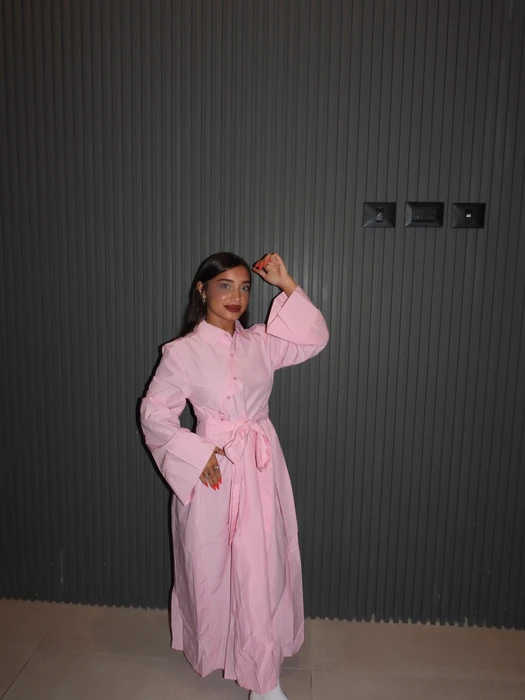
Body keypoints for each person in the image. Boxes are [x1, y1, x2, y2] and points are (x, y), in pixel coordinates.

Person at [140, 252, 329, 699]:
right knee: (216, 565)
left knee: (260, 565)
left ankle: (263, 678)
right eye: (225, 285)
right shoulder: (182, 353)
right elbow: (154, 413)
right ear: (202, 289)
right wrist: (194, 451)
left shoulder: (260, 342)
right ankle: (234, 653)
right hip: (215, 472)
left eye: (244, 287)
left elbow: (313, 339)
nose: (236, 296)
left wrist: (286, 283)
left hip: (260, 467)